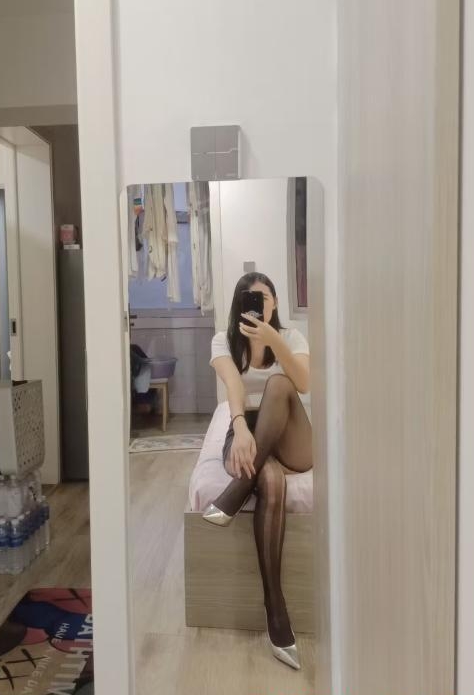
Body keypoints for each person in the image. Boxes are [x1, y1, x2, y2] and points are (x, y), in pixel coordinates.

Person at [203, 272, 312, 670]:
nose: (257, 303)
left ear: (275, 302)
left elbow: (304, 383)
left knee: (280, 384)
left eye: (263, 297)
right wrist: (240, 425)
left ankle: (236, 491)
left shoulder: (291, 337)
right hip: (249, 430)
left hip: (291, 436)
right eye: (248, 297)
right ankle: (275, 608)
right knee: (271, 480)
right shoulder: (224, 340)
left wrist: (273, 339)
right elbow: (233, 384)